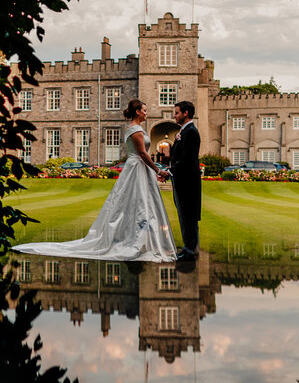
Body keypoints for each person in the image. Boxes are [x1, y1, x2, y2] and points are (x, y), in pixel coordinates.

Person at [12, 99, 176, 262]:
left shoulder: (136, 129)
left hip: (137, 169)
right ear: (137, 111)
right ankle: (135, 241)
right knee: (138, 203)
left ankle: (138, 240)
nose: (147, 113)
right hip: (137, 168)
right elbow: (142, 153)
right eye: (144, 110)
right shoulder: (136, 130)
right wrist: (158, 169)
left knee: (137, 203)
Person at [160, 101, 201, 262]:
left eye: (176, 112)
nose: (174, 115)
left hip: (187, 182)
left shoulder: (190, 132)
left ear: (185, 113)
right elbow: (180, 157)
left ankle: (190, 250)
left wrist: (169, 171)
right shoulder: (184, 131)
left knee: (188, 215)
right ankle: (189, 247)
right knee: (184, 215)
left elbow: (186, 159)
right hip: (182, 180)